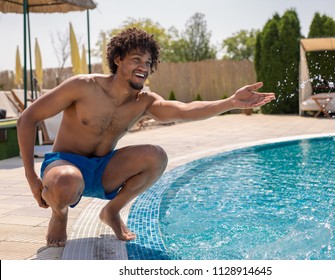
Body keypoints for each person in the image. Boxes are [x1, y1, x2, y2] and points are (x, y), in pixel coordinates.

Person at [17, 27, 275, 247]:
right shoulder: (83, 86)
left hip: (102, 171)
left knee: (156, 156)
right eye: (136, 59)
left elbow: (184, 110)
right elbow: (27, 118)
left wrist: (230, 101)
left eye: (148, 63)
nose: (144, 67)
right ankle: (59, 214)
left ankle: (112, 210)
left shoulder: (143, 101)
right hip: (65, 166)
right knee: (66, 180)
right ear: (118, 59)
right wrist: (31, 176)